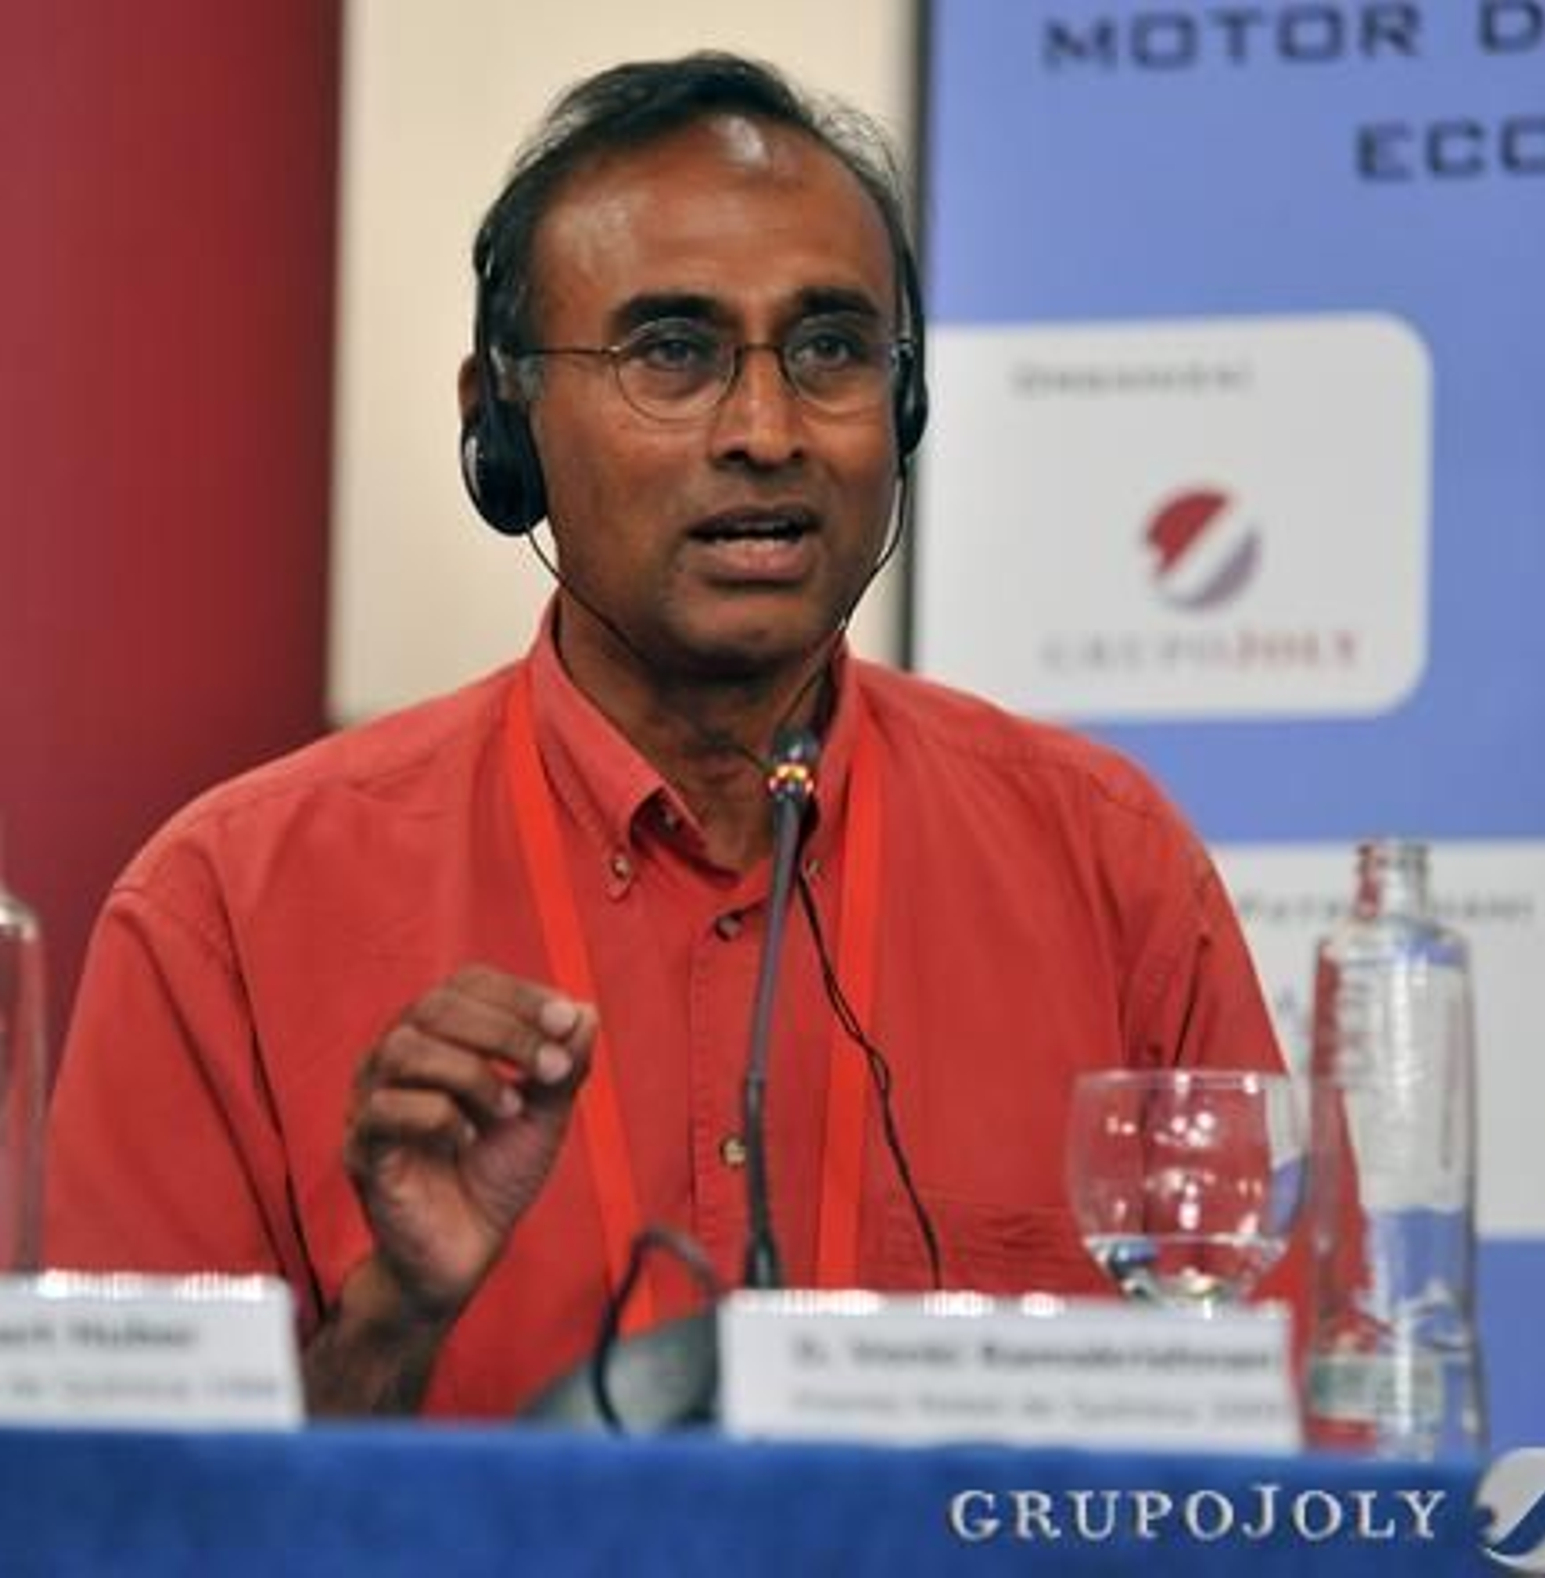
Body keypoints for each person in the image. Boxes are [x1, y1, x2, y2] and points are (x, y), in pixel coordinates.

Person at [43, 53, 1285, 1417]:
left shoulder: (1107, 868)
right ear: (499, 427)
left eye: (829, 349)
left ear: (905, 407)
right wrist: (394, 1321)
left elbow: (1282, 1466)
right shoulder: (229, 906)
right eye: (673, 353)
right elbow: (124, 1522)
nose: (764, 429)